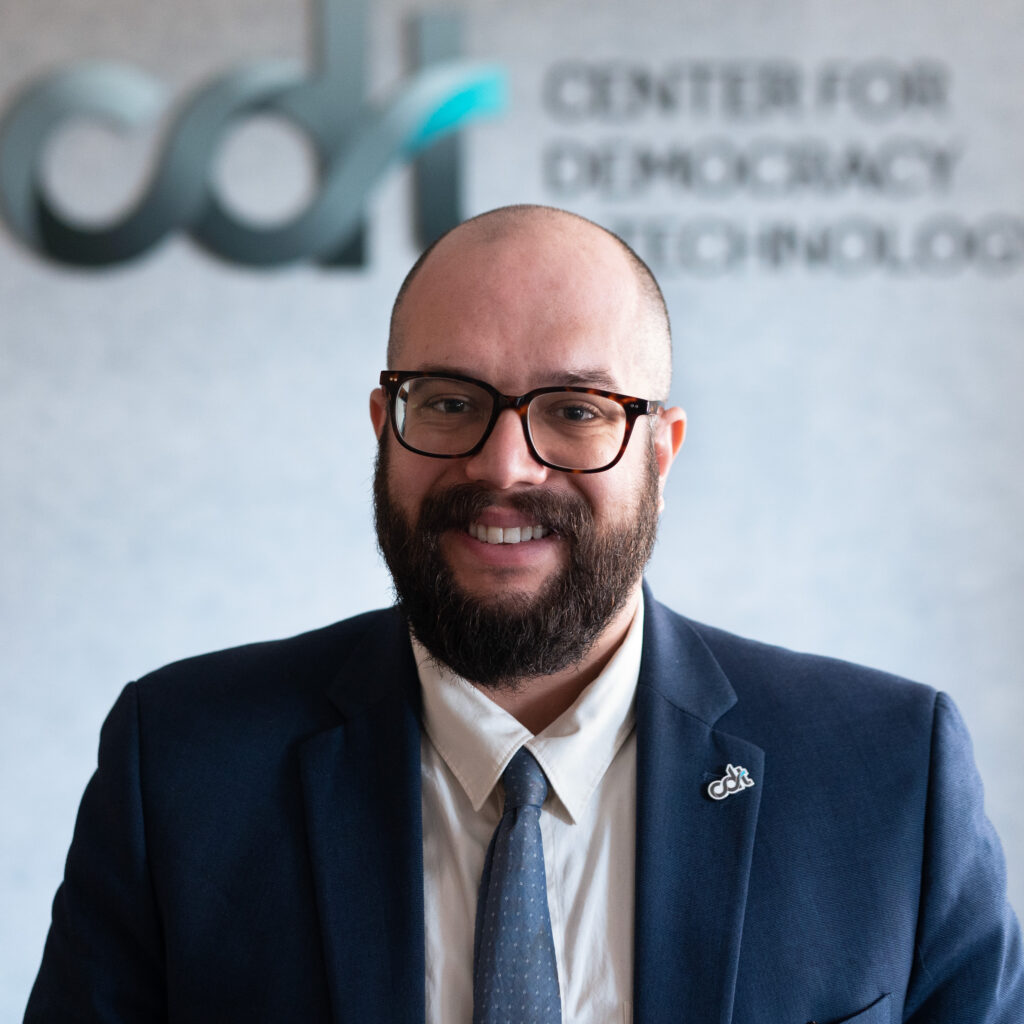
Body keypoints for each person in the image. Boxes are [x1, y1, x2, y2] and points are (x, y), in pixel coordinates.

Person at [25, 205, 1023, 1023]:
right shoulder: (186, 762)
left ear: (661, 453)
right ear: (386, 428)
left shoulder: (889, 775)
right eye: (450, 402)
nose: (504, 466)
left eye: (576, 409)